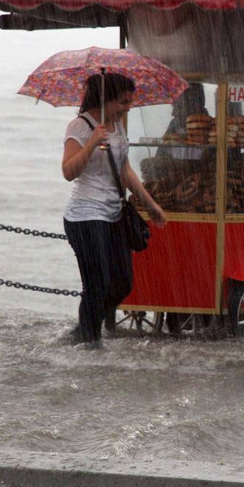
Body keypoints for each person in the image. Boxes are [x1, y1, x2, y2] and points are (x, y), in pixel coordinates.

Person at [62, 73, 167, 347]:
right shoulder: (80, 125)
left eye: (130, 102)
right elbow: (68, 172)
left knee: (122, 282)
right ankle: (89, 343)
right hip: (85, 215)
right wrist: (91, 143)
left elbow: (123, 169)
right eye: (123, 102)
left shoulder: (117, 126)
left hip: (113, 215)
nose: (128, 107)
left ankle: (85, 327)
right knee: (96, 284)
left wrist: (150, 204)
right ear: (105, 99)